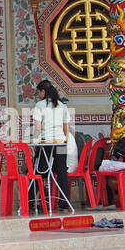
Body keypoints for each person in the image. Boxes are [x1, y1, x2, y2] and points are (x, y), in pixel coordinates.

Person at [30, 79, 71, 213]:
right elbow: (66, 128)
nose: (38, 95)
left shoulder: (40, 106)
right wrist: (65, 141)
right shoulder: (62, 106)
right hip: (60, 143)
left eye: (39, 92)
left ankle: (30, 201)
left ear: (43, 92)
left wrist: (35, 144)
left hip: (46, 143)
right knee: (62, 173)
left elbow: (37, 128)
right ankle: (64, 205)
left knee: (38, 172)